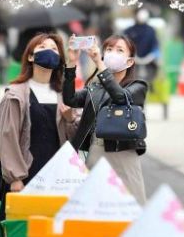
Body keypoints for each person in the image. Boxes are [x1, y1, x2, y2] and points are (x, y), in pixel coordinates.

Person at [0, 33, 78, 237]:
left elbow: (75, 143)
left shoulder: (63, 95)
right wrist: (15, 178)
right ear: (30, 57)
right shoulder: (15, 94)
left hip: (54, 180)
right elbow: (7, 137)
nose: (49, 51)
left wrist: (69, 119)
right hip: (25, 176)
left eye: (54, 48)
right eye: (42, 47)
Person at [64, 35, 149, 203]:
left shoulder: (138, 86)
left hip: (123, 154)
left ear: (130, 61)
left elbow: (119, 97)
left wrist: (100, 65)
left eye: (119, 50)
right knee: (95, 206)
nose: (112, 53)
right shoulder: (95, 88)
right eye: (109, 49)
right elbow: (70, 99)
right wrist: (71, 63)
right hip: (96, 151)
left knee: (130, 207)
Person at [124, 9, 159, 81]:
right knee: (131, 77)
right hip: (132, 59)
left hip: (149, 60)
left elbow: (155, 45)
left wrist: (151, 56)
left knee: (150, 77)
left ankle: (150, 87)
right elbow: (126, 43)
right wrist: (132, 55)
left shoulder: (151, 30)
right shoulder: (129, 30)